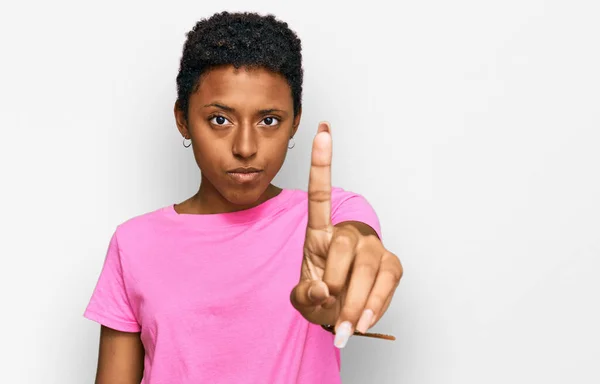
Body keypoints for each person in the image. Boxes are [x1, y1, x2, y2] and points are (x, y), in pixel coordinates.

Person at [84, 11, 403, 384]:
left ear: (295, 121)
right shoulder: (134, 243)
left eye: (269, 120)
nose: (246, 147)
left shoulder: (332, 215)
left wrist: (344, 283)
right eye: (220, 119)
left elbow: (357, 243)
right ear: (183, 119)